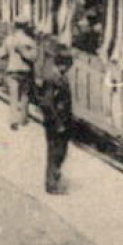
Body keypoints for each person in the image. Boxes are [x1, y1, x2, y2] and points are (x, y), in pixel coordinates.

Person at [37, 44, 76, 194]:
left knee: (61, 152)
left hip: (63, 120)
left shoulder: (61, 77)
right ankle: (51, 184)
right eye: (66, 66)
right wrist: (57, 122)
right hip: (55, 121)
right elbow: (47, 102)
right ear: (61, 64)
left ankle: (55, 178)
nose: (67, 69)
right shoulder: (51, 79)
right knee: (55, 152)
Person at [4, 20, 38, 130]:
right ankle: (23, 119)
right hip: (25, 71)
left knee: (13, 96)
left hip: (12, 71)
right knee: (25, 96)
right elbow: (34, 57)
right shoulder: (30, 40)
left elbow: (2, 54)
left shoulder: (9, 39)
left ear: (15, 26)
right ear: (25, 27)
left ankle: (13, 121)